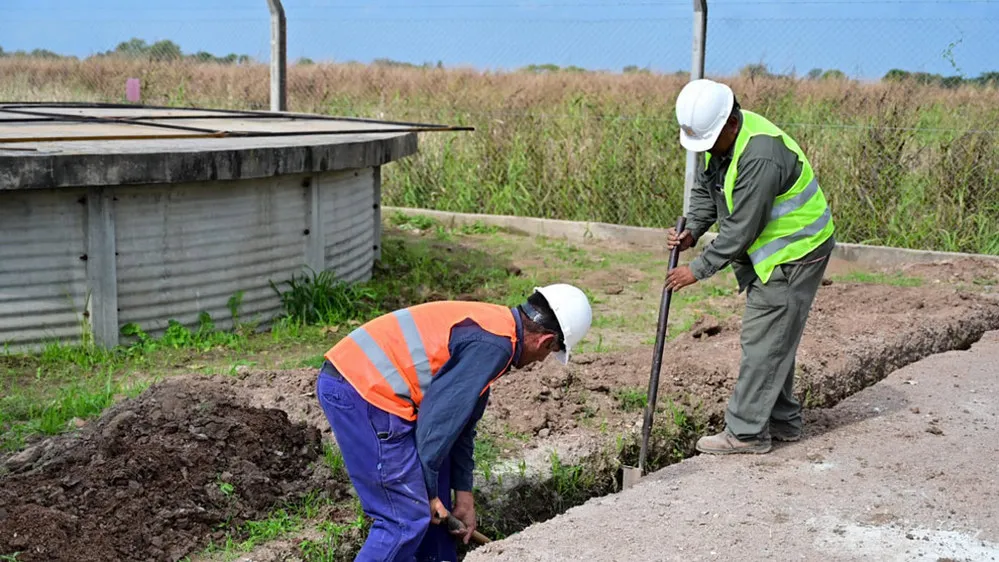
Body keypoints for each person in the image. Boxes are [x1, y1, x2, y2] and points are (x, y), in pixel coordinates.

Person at [316, 284, 593, 561]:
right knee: (405, 519)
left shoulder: (498, 331)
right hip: (362, 390)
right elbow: (434, 427)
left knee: (434, 485)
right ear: (545, 341)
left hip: (369, 383)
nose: (543, 359)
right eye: (551, 351)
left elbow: (459, 425)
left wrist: (464, 497)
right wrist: (428, 494)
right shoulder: (491, 346)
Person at [665, 78, 836, 455]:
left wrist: (697, 269)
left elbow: (743, 227)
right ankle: (783, 422)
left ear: (730, 122)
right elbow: (709, 189)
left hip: (795, 251)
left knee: (763, 340)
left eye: (709, 141)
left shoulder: (759, 156)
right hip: (779, 249)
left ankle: (745, 433)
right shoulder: (725, 140)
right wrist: (693, 228)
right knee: (775, 337)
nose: (706, 149)